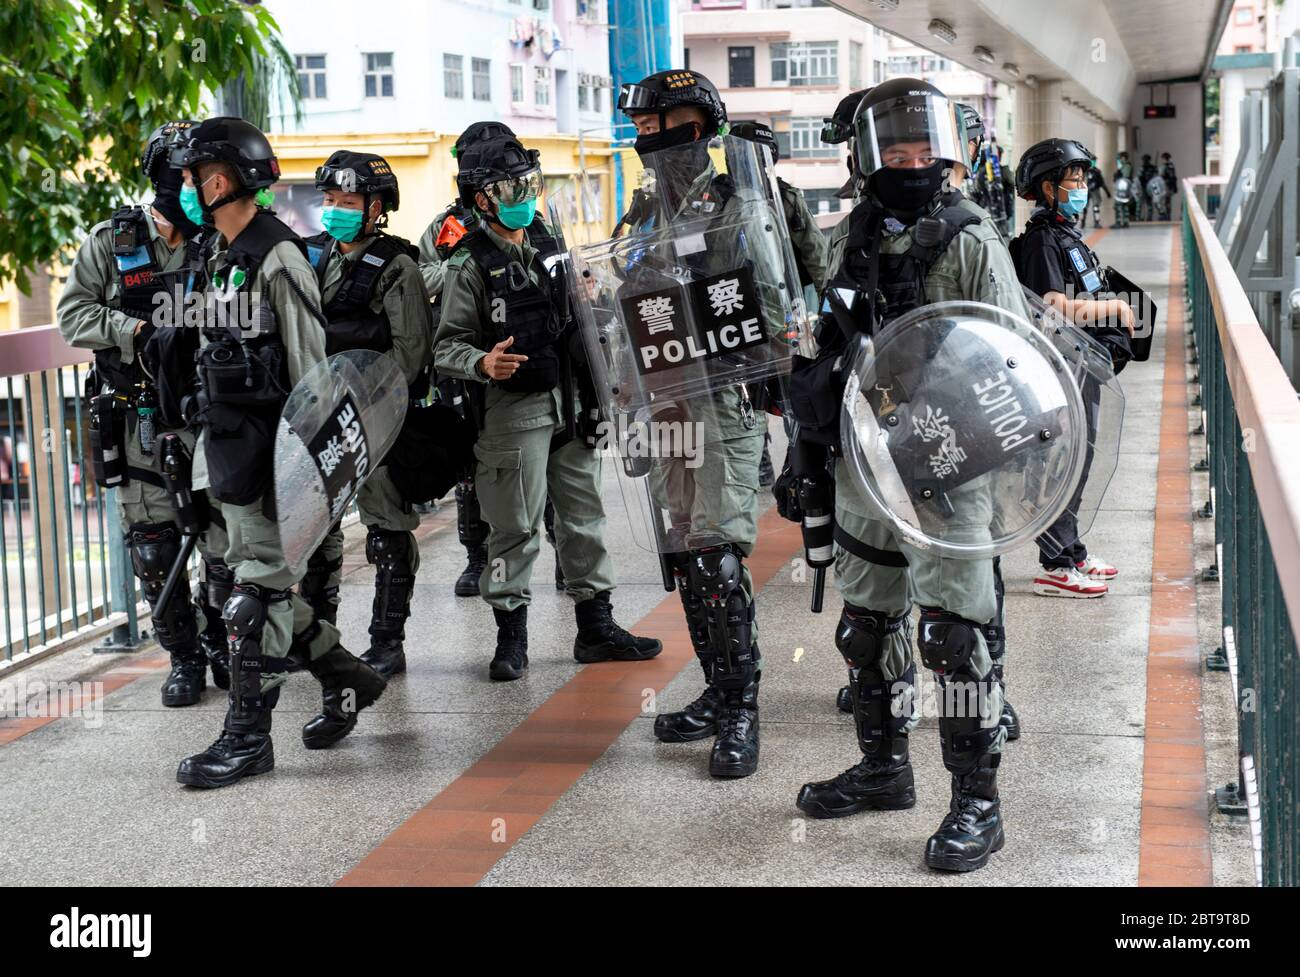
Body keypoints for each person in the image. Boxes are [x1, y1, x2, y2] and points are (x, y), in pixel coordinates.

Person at [789, 79, 1030, 871]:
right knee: (866, 626)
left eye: (925, 151)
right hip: (865, 460)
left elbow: (1009, 357)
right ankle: (884, 768)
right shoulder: (850, 235)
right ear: (867, 160)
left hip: (948, 463)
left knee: (952, 636)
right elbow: (827, 337)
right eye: (897, 152)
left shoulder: (971, 236)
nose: (914, 163)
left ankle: (977, 805)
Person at [168, 118, 387, 788]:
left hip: (269, 454)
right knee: (251, 582)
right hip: (226, 446)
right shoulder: (216, 253)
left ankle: (247, 739)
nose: (183, 189)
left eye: (190, 177)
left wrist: (307, 479)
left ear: (220, 180)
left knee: (253, 596)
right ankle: (349, 676)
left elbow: (311, 375)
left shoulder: (278, 256)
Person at [432, 122, 661, 682]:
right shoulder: (468, 264)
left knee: (583, 518)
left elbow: (592, 314)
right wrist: (482, 362)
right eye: (511, 190)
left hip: (573, 403)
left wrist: (591, 294)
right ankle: (512, 637)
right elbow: (447, 346)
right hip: (514, 412)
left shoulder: (552, 244)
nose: (524, 199)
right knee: (513, 527)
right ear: (482, 198)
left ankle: (596, 627)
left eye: (527, 185)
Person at [616, 69, 786, 778]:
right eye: (644, 126)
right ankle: (717, 691)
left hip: (717, 401)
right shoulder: (646, 211)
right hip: (663, 402)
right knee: (685, 555)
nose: (654, 137)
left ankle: (743, 709)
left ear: (705, 125)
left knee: (717, 556)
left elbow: (773, 313)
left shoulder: (734, 206)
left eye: (669, 122)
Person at [55, 119, 231, 707]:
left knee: (222, 540)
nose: (196, 186)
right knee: (154, 548)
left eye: (202, 175)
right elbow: (74, 315)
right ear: (162, 177)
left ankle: (224, 646)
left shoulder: (222, 239)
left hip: (210, 413)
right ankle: (183, 657)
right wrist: (138, 329)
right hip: (139, 421)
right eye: (186, 175)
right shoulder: (114, 241)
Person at [299, 150, 432, 678]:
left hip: (373, 419)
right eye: (329, 201)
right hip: (315, 418)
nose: (335, 211)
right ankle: (315, 639)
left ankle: (387, 639)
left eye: (347, 202)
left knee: (385, 529)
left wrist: (362, 403)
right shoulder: (308, 257)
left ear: (376, 208)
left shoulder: (396, 266)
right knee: (314, 534)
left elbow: (411, 352)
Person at [1011, 138, 1134, 598]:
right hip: (1060, 369)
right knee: (1062, 462)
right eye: (1073, 179)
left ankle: (1072, 549)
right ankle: (1054, 564)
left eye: (1083, 178)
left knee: (1079, 459)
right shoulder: (1042, 240)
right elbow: (1050, 306)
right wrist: (1112, 311)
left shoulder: (1066, 235)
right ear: (1047, 187)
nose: (1081, 186)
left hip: (1083, 366)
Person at [729, 120, 829, 489]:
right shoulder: (721, 198)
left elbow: (816, 254)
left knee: (794, 389)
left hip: (786, 311)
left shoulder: (785, 198)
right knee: (747, 389)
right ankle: (759, 458)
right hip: (736, 311)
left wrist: (831, 307)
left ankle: (799, 457)